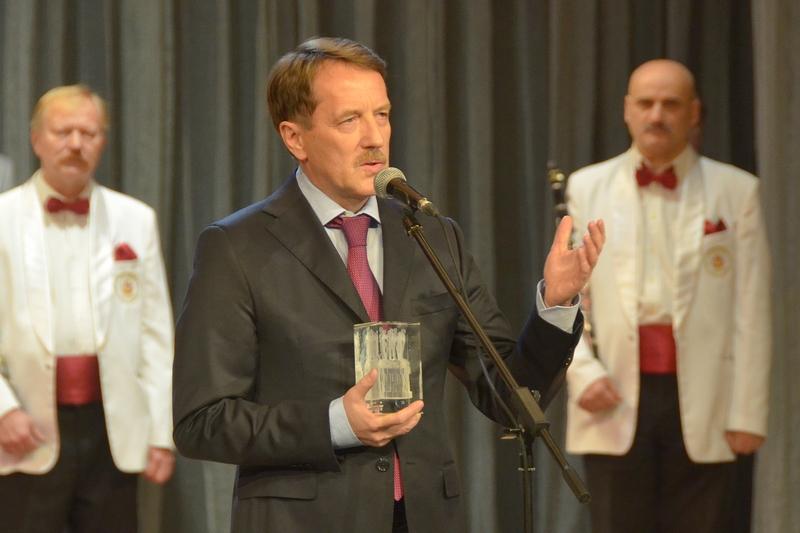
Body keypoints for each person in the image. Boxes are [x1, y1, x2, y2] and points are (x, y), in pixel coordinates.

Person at [172, 37, 605, 533]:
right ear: (295, 138)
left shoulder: (431, 236)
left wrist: (555, 305)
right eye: (349, 120)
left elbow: (510, 397)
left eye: (382, 115)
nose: (374, 138)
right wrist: (335, 422)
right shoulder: (237, 246)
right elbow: (202, 421)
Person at [565, 59, 771, 533]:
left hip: (707, 395)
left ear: (694, 112)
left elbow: (753, 307)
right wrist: (582, 372)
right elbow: (568, 293)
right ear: (627, 110)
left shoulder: (737, 191)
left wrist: (748, 411)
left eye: (670, 104)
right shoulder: (587, 186)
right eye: (646, 103)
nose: (656, 115)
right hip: (613, 391)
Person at [0, 85, 175, 533]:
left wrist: (161, 432)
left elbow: (156, 334)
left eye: (89, 133)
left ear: (103, 142)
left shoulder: (135, 218)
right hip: (25, 427)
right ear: (36, 139)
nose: (76, 144)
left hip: (111, 428)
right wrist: (3, 411)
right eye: (63, 132)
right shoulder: (3, 217)